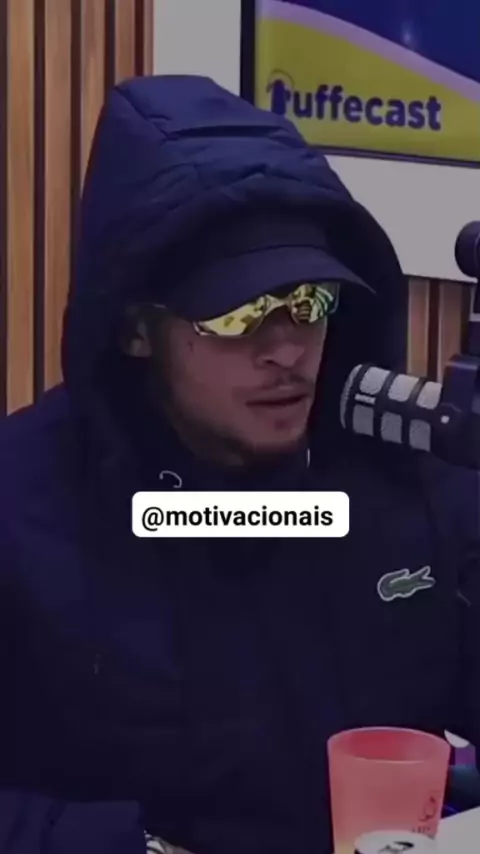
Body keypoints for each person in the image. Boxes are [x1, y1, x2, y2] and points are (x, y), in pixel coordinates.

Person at [0, 74, 479, 854]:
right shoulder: (20, 507)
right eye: (240, 314)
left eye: (310, 303)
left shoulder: (415, 476)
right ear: (135, 330)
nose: (288, 350)